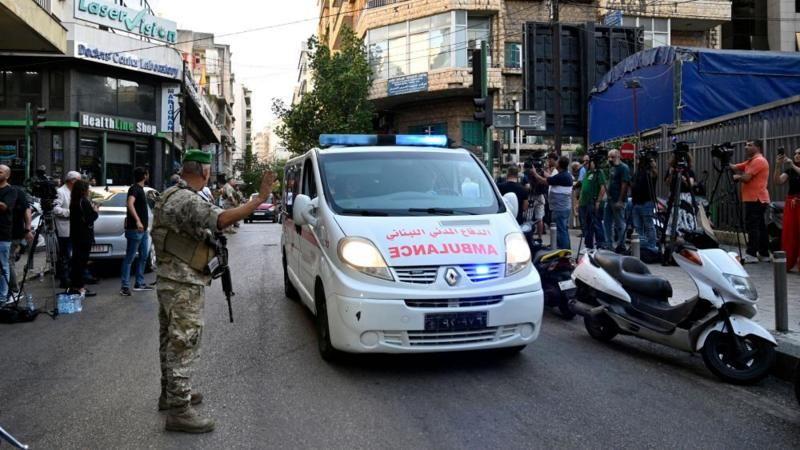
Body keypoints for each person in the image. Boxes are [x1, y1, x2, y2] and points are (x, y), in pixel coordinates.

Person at [152, 149, 275, 433]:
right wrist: (260, 199)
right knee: (184, 342)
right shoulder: (186, 199)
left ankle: (170, 395)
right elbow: (221, 220)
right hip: (183, 283)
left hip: (171, 279)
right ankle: (179, 410)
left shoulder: (172, 194)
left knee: (170, 340)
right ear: (204, 171)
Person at [730, 140, 770, 263]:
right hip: (756, 199)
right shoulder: (751, 161)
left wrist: (737, 177)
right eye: (746, 145)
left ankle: (751, 254)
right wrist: (724, 158)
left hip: (756, 199)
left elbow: (746, 178)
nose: (746, 147)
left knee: (753, 227)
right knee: (760, 227)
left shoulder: (758, 161)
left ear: (757, 147)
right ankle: (764, 254)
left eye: (749, 145)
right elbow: (735, 167)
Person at [120, 167, 153, 296]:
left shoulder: (140, 189)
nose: (148, 175)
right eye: (148, 173)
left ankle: (139, 283)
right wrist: (138, 220)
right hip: (135, 229)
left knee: (144, 256)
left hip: (143, 230)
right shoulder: (134, 189)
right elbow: (130, 203)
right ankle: (125, 286)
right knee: (130, 258)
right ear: (145, 176)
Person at [532, 156, 573, 250]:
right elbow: (551, 178)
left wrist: (535, 174)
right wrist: (542, 172)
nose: (555, 163)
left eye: (557, 161)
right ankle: (561, 246)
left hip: (560, 209)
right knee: (562, 229)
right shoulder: (564, 175)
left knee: (561, 230)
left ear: (560, 164)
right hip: (562, 208)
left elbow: (545, 181)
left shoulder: (562, 176)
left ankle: (564, 249)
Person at [67, 180, 98, 297]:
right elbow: (89, 219)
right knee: (81, 262)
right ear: (83, 190)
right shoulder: (83, 201)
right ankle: (80, 288)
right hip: (84, 236)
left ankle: (75, 286)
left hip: (76, 235)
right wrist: (95, 211)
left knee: (77, 261)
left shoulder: (74, 201)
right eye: (88, 189)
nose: (89, 191)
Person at [54, 171, 82, 288]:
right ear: (72, 181)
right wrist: (71, 213)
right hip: (64, 229)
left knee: (71, 254)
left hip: (74, 228)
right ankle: (64, 278)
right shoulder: (61, 191)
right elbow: (55, 208)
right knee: (65, 254)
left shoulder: (75, 191)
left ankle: (70, 276)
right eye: (79, 181)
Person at [774, 147, 800, 271]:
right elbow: (778, 181)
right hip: (791, 204)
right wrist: (778, 166)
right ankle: (788, 262)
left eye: (799, 153)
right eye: (795, 153)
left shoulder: (794, 168)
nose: (796, 155)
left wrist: (793, 166)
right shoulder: (790, 170)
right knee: (789, 233)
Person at [0, 165, 23, 303]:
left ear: (7, 175)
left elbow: (4, 206)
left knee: (3, 266)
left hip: (2, 234)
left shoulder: (11, 191)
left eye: (0, 171)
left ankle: (3, 297)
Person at [603, 150, 631, 253]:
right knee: (607, 223)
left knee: (620, 223)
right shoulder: (612, 167)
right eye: (609, 157)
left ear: (619, 156)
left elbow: (625, 184)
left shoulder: (624, 168)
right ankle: (609, 244)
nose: (610, 159)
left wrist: (620, 200)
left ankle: (621, 244)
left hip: (618, 200)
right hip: (610, 199)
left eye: (613, 157)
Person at [665, 153, 697, 240]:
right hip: (673, 196)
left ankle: (684, 234)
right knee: (672, 218)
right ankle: (672, 235)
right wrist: (671, 173)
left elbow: (690, 184)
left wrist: (683, 177)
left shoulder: (689, 171)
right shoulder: (671, 170)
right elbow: (667, 183)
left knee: (684, 218)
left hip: (685, 197)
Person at [8, 185, 33, 294]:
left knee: (8, 260)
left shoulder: (16, 191)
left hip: (13, 232)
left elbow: (27, 210)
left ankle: (14, 290)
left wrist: (28, 229)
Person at [631, 157, 659, 255]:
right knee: (637, 227)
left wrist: (648, 164)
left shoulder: (650, 173)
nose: (638, 160)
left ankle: (652, 246)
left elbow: (646, 182)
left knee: (649, 226)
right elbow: (633, 184)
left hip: (646, 202)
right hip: (636, 203)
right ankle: (640, 246)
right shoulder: (638, 172)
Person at [578, 159, 607, 249]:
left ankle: (601, 244)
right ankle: (588, 245)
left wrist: (598, 201)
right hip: (584, 203)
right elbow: (583, 188)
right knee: (586, 226)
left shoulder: (599, 173)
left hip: (593, 203)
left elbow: (603, 188)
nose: (586, 163)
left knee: (596, 224)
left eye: (588, 161)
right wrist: (579, 201)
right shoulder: (588, 173)